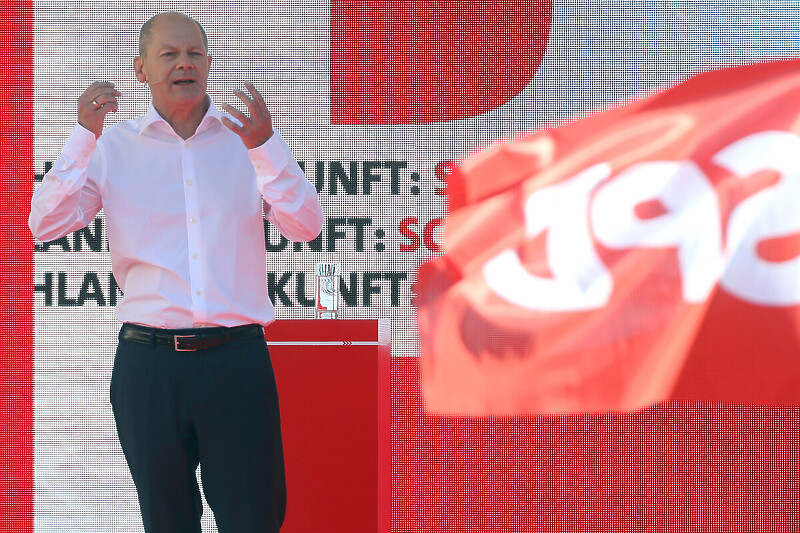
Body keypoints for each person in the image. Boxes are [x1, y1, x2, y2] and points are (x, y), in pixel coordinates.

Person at [29, 11, 323, 533]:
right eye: (169, 54)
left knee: (255, 518)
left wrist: (267, 147)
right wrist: (81, 137)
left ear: (208, 63)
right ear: (142, 69)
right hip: (148, 366)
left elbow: (305, 225)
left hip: (236, 361)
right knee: (167, 521)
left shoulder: (247, 141)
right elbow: (45, 223)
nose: (183, 64)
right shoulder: (112, 146)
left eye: (194, 54)